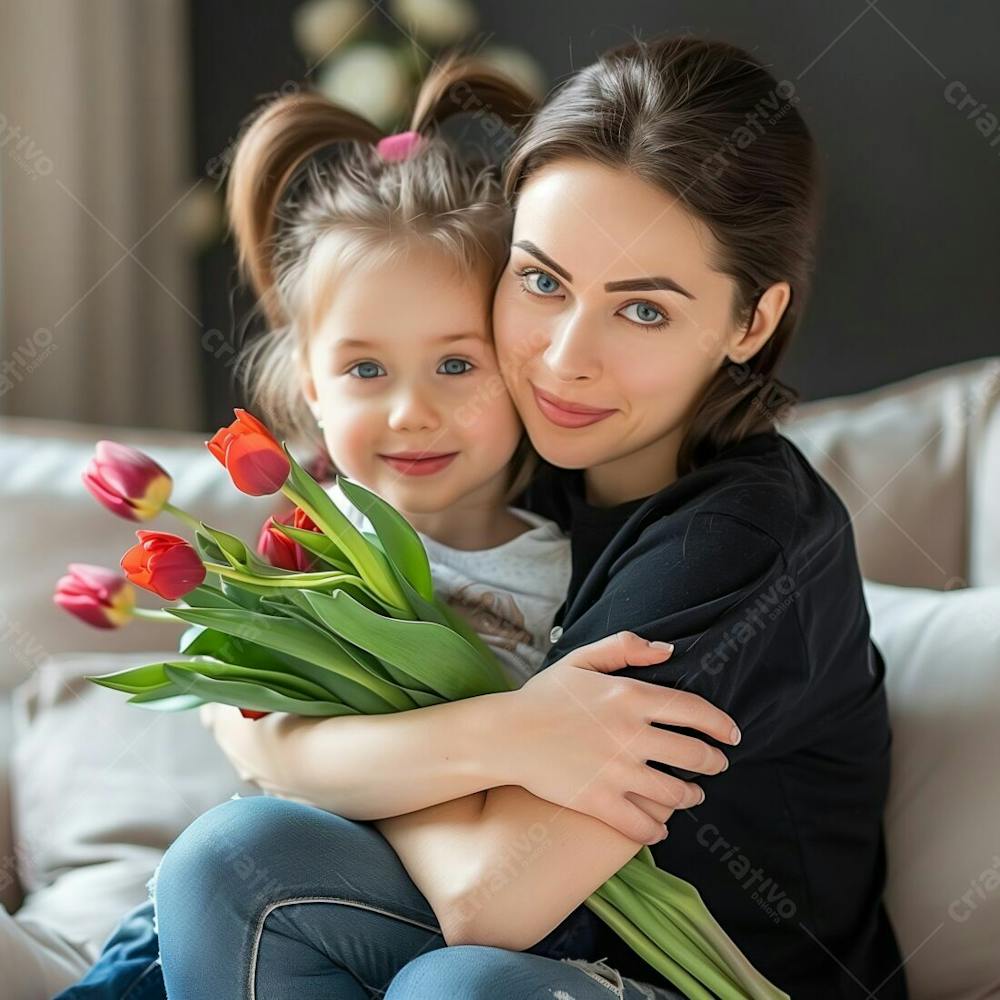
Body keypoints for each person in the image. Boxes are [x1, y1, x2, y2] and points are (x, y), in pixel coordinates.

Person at [160, 35, 906, 999]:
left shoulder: (737, 545)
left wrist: (288, 750)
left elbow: (487, 900)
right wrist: (504, 733)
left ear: (749, 324)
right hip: (549, 958)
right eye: (543, 281)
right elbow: (248, 674)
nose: (561, 358)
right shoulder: (511, 457)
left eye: (642, 312)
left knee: (454, 982)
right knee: (232, 860)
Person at [53, 52, 736, 1000]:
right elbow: (246, 723)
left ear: (515, 357)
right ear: (308, 388)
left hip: (496, 938)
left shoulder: (578, 569)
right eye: (366, 372)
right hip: (286, 904)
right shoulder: (303, 556)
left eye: (456, 366)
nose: (411, 413)